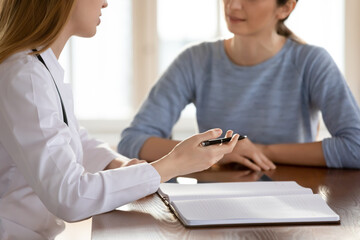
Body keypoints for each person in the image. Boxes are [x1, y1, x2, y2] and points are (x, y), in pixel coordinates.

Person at [0, 0, 240, 239]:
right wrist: (173, 164)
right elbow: (70, 197)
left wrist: (118, 165)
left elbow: (71, 138)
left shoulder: (37, 67)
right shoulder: (25, 76)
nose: (105, 3)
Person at [118, 0, 360, 171]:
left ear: (285, 8)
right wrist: (218, 152)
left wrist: (263, 151)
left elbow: (355, 147)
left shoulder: (311, 62)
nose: (232, 5)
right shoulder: (195, 60)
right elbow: (133, 141)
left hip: (291, 199)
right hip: (212, 202)